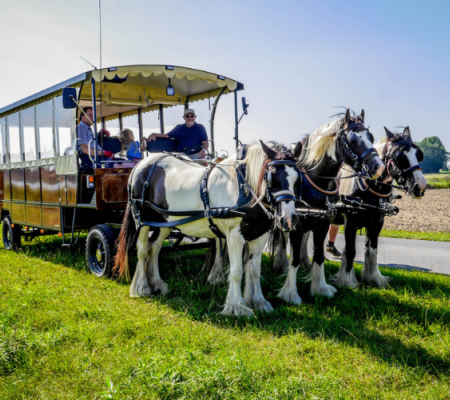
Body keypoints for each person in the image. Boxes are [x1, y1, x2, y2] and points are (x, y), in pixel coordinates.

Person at [140, 109, 208, 159]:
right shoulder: (179, 128)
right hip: (182, 155)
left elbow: (205, 142)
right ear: (184, 117)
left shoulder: (200, 128)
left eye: (191, 116)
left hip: (197, 153)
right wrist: (154, 134)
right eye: (187, 116)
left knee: (205, 166)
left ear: (195, 117)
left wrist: (203, 150)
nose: (190, 118)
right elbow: (166, 136)